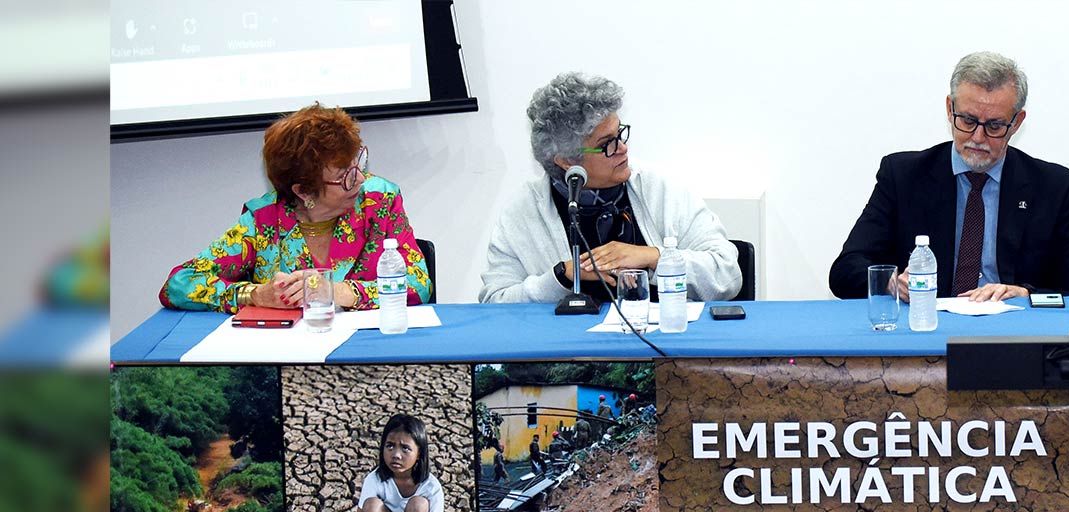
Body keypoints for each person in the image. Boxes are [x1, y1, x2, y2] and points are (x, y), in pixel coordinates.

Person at [828, 51, 1069, 302]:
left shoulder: (1055, 188)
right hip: (929, 331)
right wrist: (891, 283)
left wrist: (1026, 295)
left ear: (1016, 122)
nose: (978, 138)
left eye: (994, 125)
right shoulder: (903, 176)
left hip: (1013, 336)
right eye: (968, 121)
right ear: (950, 109)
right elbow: (844, 271)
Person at [482, 72, 741, 304]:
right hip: (570, 354)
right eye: (607, 143)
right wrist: (561, 277)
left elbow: (727, 275)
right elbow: (494, 302)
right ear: (567, 161)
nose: (623, 148)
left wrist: (652, 257)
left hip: (662, 351)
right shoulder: (523, 212)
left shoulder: (661, 190)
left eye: (620, 134)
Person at [160, 103, 431, 312]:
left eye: (358, 164)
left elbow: (419, 284)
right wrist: (253, 295)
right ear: (302, 190)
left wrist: (337, 292)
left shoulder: (379, 201)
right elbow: (178, 284)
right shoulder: (264, 221)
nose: (360, 179)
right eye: (345, 176)